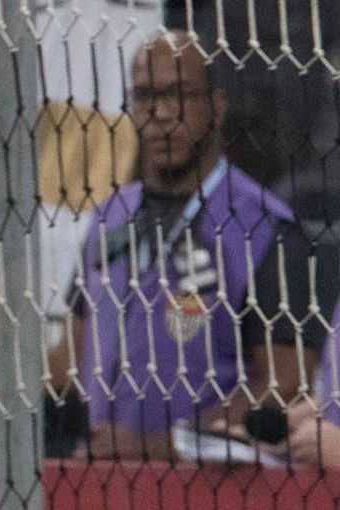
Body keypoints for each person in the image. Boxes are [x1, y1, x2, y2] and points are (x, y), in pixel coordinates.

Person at [55, 32, 319, 460]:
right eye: (144, 97)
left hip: (214, 498)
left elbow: (284, 384)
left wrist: (152, 448)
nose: (159, 113)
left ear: (216, 106)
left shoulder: (266, 226)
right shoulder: (110, 217)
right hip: (102, 490)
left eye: (178, 94)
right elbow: (67, 358)